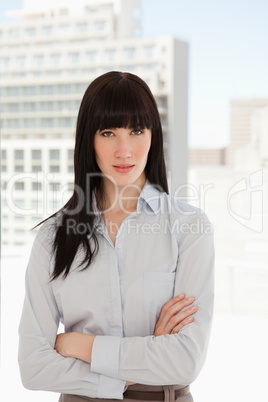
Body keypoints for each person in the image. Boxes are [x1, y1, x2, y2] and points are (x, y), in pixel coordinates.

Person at [18, 71, 214, 402]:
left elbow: (185, 361)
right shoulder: (53, 238)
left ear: (154, 136)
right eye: (108, 132)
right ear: (89, 140)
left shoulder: (189, 227)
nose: (124, 150)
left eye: (137, 130)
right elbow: (33, 366)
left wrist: (78, 344)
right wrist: (134, 367)